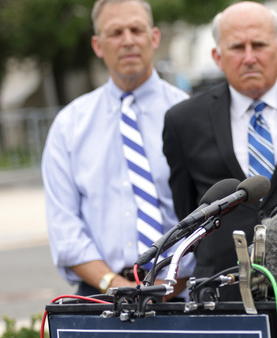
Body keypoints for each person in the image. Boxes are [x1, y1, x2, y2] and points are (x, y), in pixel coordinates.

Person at [42, 0, 193, 298]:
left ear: (154, 37)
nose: (128, 41)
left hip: (182, 296)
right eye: (115, 32)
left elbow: (209, 211)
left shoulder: (191, 115)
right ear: (98, 46)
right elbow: (65, 228)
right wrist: (116, 286)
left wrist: (171, 286)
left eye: (136, 29)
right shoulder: (69, 126)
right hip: (99, 296)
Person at [162, 1, 277, 300]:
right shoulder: (184, 120)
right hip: (219, 291)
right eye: (237, 47)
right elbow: (187, 207)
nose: (249, 57)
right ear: (217, 56)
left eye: (260, 45)